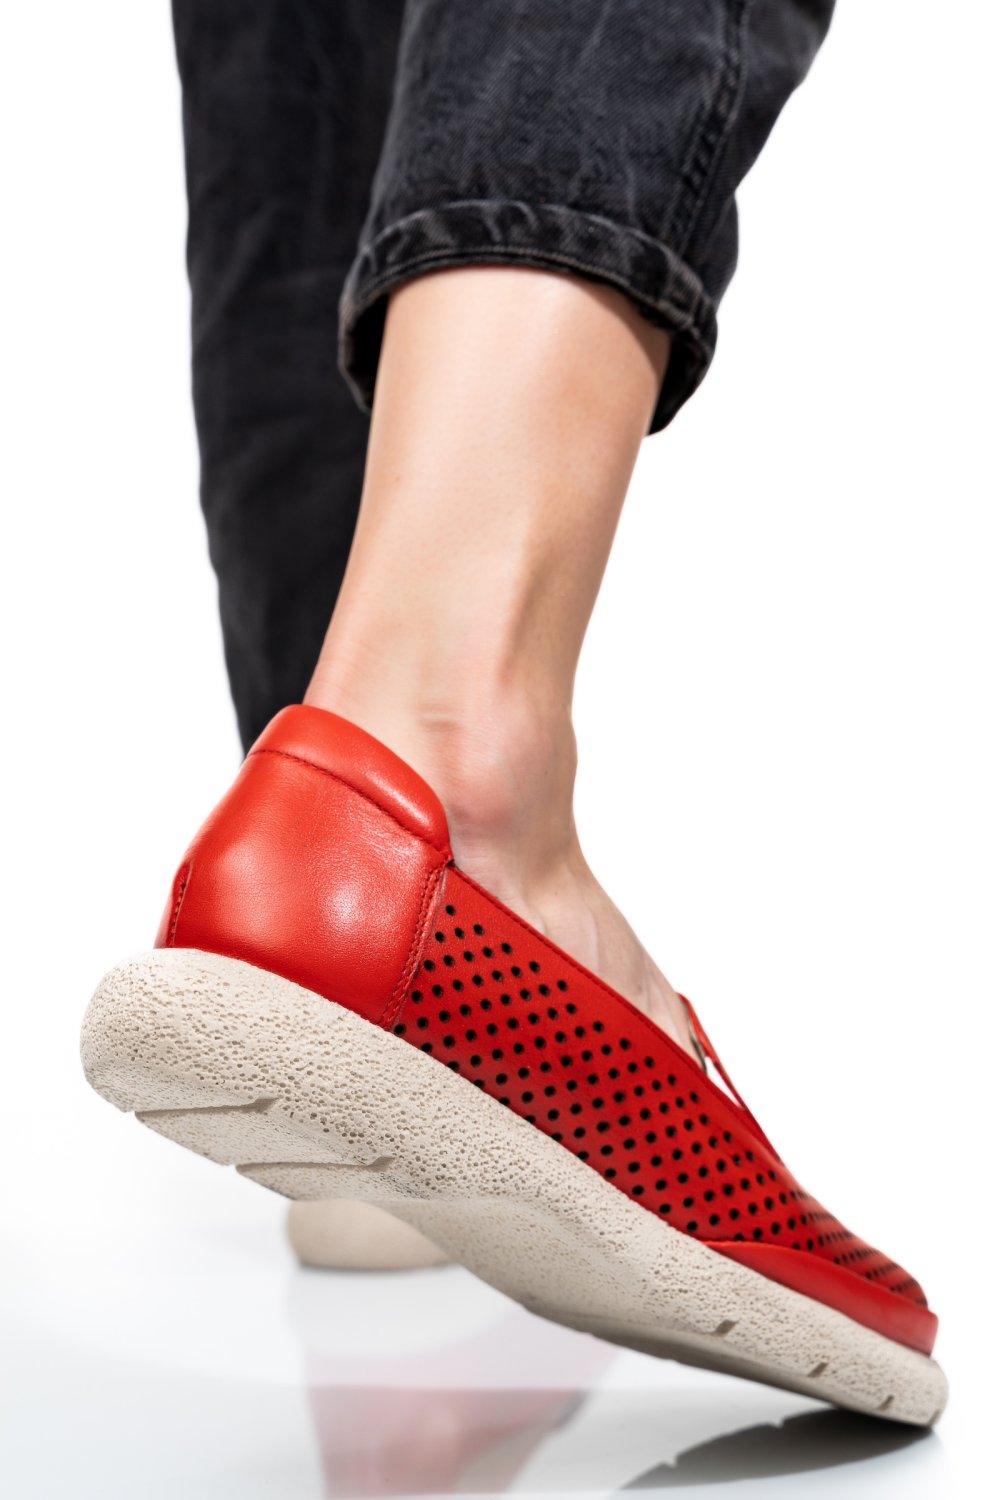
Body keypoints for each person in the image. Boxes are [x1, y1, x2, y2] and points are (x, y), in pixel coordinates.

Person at [81, 1, 947, 1425]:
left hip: (326, 920)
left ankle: (337, 915)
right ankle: (449, 768)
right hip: (443, 887)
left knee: (307, 42)